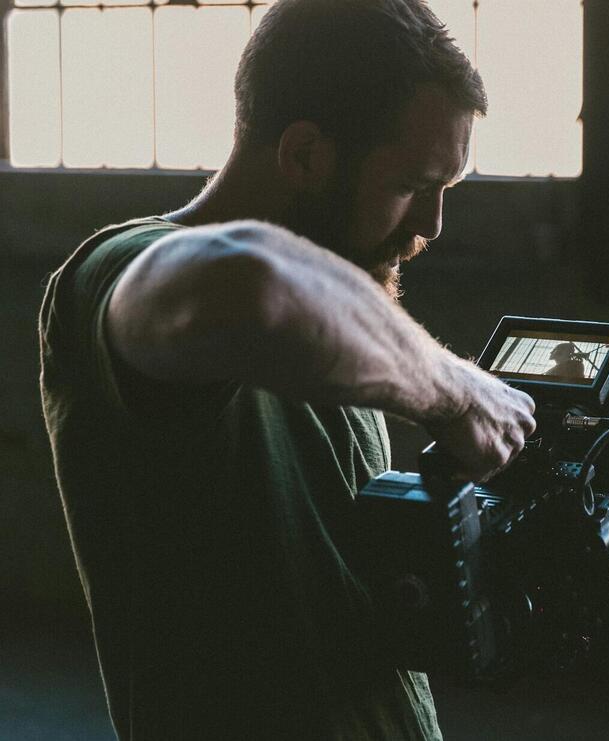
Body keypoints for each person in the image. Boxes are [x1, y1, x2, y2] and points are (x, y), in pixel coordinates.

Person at [38, 1, 535, 738]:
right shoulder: (113, 273)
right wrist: (457, 393)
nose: (431, 224)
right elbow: (249, 288)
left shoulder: (343, 307)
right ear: (304, 155)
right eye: (410, 184)